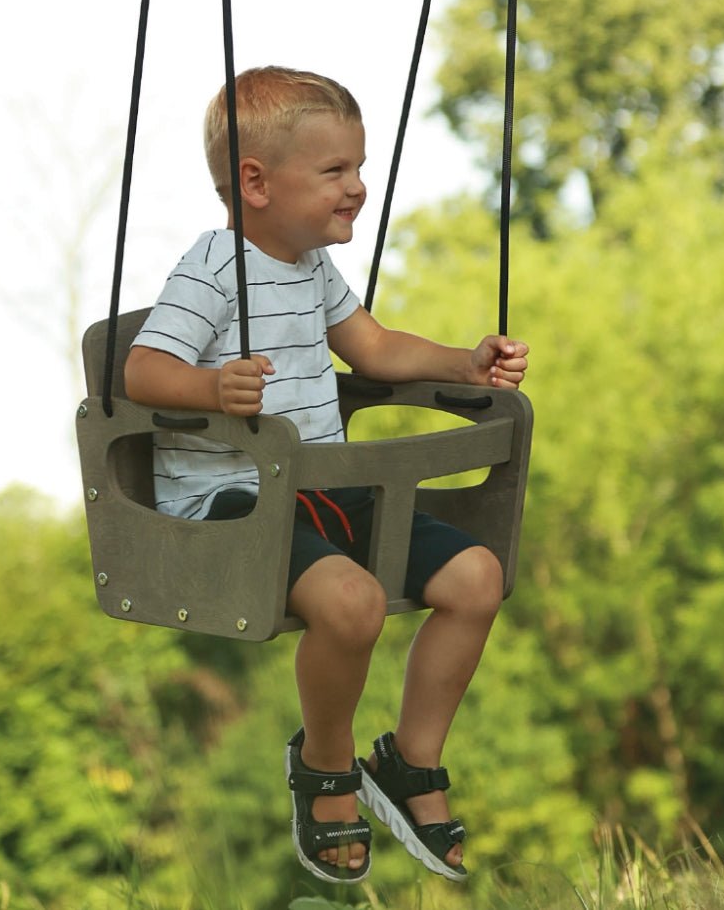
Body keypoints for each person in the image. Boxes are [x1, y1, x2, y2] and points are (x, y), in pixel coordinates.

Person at [123, 65, 529, 885]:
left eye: (359, 167)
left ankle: (409, 758)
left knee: (477, 578)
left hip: (327, 487)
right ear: (256, 181)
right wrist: (210, 387)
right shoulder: (212, 266)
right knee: (353, 603)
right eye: (335, 171)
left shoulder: (310, 266)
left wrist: (465, 361)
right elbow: (141, 370)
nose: (358, 188)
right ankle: (326, 763)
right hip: (234, 496)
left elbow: (373, 348)